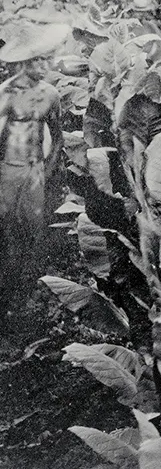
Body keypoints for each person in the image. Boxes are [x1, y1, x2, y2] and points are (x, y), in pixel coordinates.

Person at [0, 21, 70, 317]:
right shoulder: (7, 93)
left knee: (32, 229)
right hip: (7, 170)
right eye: (38, 60)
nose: (44, 65)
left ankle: (22, 291)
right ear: (25, 62)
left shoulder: (51, 94)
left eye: (47, 59)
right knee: (5, 228)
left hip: (35, 171)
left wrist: (49, 168)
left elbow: (58, 135)